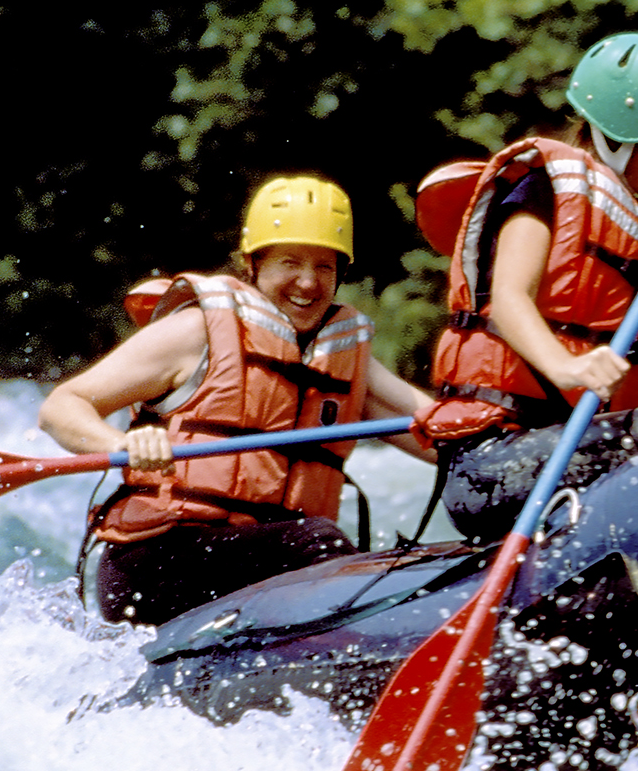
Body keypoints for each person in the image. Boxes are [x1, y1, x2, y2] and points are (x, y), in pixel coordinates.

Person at [40, 175, 436, 625]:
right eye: (291, 261)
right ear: (254, 263)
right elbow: (60, 407)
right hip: (157, 562)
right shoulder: (197, 331)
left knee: (340, 554)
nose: (307, 282)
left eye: (325, 267)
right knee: (319, 544)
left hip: (264, 564)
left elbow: (438, 432)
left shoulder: (344, 359)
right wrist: (120, 443)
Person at [415, 32, 638, 538]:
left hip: (573, 448)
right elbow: (508, 300)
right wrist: (568, 366)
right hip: (490, 464)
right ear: (626, 132)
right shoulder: (544, 188)